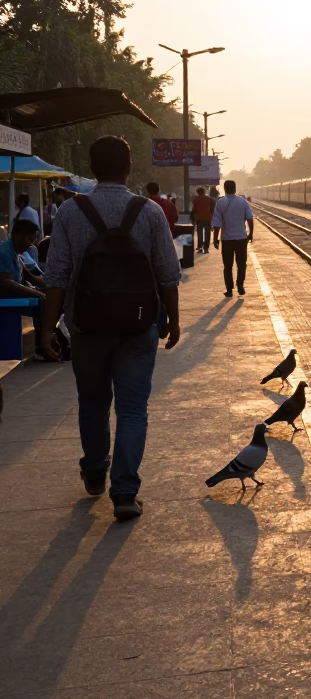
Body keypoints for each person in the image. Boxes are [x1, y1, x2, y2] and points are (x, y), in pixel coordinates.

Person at [41, 136, 182, 521]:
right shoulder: (150, 211)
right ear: (129, 167)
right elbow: (168, 274)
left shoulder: (70, 212)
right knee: (133, 409)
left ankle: (94, 469)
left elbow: (56, 275)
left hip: (86, 327)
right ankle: (124, 492)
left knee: (93, 402)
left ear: (92, 166)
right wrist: (173, 319)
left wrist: (47, 327)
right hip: (138, 326)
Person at [0, 219, 49, 355]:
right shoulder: (4, 252)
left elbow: (29, 277)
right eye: (30, 240)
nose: (31, 246)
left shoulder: (17, 255)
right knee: (41, 301)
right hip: (4, 293)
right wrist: (37, 293)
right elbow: (6, 282)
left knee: (48, 297)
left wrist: (52, 287)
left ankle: (49, 338)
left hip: (10, 291)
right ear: (17, 236)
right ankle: (41, 343)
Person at [211, 179, 254, 297]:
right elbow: (250, 219)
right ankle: (240, 285)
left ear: (224, 189)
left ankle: (229, 289)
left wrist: (215, 238)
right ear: (235, 188)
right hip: (241, 238)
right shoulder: (243, 202)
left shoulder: (220, 203)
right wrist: (251, 233)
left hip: (226, 240)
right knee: (241, 264)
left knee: (227, 266)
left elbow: (217, 222)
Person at [191, 186, 215, 254]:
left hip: (199, 219)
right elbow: (212, 210)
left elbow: (194, 210)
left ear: (198, 193)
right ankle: (206, 248)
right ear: (204, 192)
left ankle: (200, 247)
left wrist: (193, 219)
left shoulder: (195, 200)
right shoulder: (210, 199)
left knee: (200, 234)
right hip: (208, 219)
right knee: (207, 234)